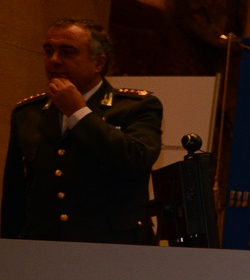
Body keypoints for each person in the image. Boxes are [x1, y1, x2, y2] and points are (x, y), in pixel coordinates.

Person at [3, 18, 162, 243]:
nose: (54, 60)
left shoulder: (136, 107)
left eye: (67, 52)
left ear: (98, 63)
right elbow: (15, 194)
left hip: (112, 248)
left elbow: (135, 159)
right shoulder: (28, 113)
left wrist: (79, 112)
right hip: (42, 246)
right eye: (49, 51)